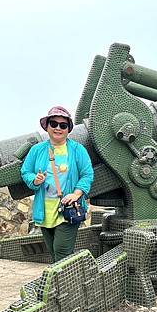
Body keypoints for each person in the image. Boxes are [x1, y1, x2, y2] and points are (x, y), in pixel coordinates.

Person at [21, 106, 94, 262]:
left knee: (62, 251)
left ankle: (63, 285)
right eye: (53, 124)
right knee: (54, 253)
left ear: (68, 129)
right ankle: (60, 283)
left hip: (68, 209)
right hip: (45, 209)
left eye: (63, 125)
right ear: (47, 126)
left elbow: (87, 174)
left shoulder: (77, 150)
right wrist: (35, 180)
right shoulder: (37, 150)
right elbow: (25, 172)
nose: (58, 128)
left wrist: (76, 194)